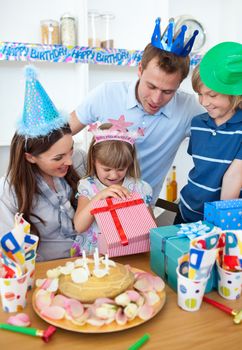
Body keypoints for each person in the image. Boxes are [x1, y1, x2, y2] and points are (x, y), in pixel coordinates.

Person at [69, 18, 204, 205]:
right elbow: (61, 134)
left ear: (179, 85)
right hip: (93, 204)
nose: (156, 99)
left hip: (140, 207)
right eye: (151, 86)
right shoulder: (106, 93)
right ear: (140, 70)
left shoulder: (188, 108)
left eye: (168, 92)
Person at [0, 66, 87, 261]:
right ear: (30, 157)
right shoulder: (9, 191)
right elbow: (8, 252)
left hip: (86, 261)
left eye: (70, 149)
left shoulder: (80, 160)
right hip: (43, 271)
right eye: (58, 158)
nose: (70, 161)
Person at [174, 41, 242, 224]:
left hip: (220, 218)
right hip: (186, 211)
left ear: (235, 94)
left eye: (212, 95)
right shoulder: (197, 123)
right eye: (199, 94)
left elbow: (234, 177)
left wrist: (221, 223)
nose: (203, 102)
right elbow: (201, 170)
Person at [72, 117, 154, 256]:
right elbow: (79, 226)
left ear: (129, 163)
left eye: (120, 169)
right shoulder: (88, 187)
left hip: (131, 254)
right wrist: (100, 197)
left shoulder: (140, 188)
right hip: (94, 257)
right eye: (107, 169)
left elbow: (151, 230)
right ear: (93, 160)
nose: (114, 175)